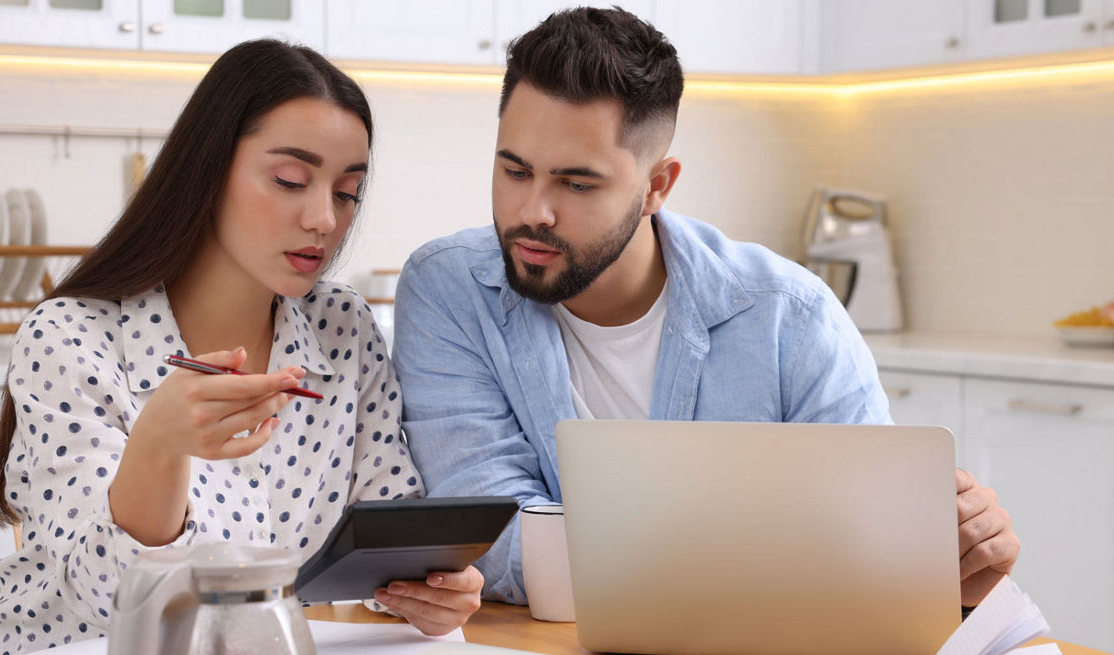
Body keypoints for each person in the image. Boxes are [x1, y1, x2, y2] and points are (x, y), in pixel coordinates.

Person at [392, 8, 1018, 609]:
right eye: (515, 170)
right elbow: (489, 534)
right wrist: (777, 559)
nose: (533, 211)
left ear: (656, 187)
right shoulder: (448, 288)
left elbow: (872, 540)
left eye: (577, 183)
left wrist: (944, 561)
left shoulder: (789, 316)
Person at [0, 39, 482, 655]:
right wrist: (160, 447)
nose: (325, 218)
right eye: (292, 180)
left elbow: (382, 539)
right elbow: (102, 599)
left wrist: (432, 589)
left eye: (347, 191)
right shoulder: (72, 338)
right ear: (206, 172)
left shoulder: (342, 328)